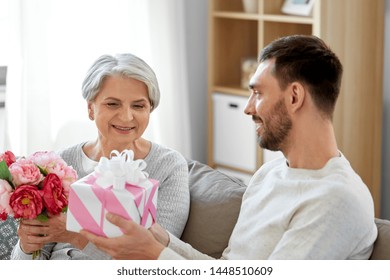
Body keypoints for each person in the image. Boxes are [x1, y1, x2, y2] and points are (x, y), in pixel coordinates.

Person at [80, 35, 377, 260]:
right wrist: (160, 239)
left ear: (295, 97)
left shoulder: (335, 200)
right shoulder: (269, 175)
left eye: (258, 93)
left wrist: (155, 256)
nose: (248, 108)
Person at [11, 53, 190, 260]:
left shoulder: (168, 166)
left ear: (150, 109)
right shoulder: (60, 165)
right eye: (112, 104)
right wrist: (26, 245)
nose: (126, 117)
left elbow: (153, 259)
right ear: (90, 108)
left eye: (138, 106)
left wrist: (74, 234)